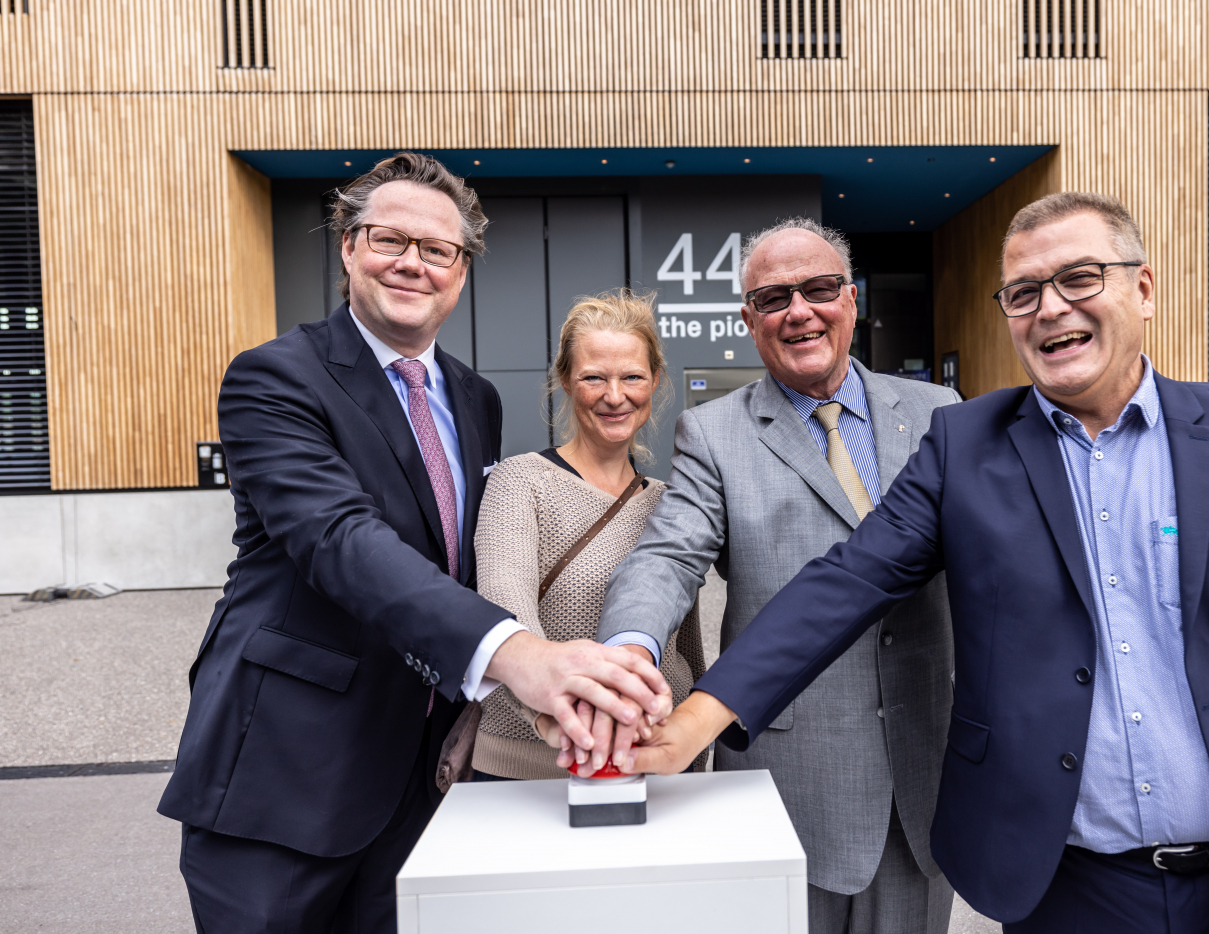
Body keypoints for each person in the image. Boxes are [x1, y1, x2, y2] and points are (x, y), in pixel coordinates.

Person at [627, 193, 1209, 934]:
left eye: (1078, 278)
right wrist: (696, 718)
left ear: (1144, 288)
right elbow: (847, 579)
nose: (1051, 307)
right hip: (1069, 883)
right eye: (1024, 292)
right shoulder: (969, 446)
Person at [156, 152, 671, 934]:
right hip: (287, 772)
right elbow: (339, 541)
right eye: (389, 239)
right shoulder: (274, 378)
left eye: (438, 250)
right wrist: (521, 657)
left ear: (461, 271)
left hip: (420, 777)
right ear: (348, 247)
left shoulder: (474, 398)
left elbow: (460, 563)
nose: (412, 263)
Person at [581, 218, 962, 934]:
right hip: (791, 778)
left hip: (925, 768)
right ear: (748, 319)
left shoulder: (940, 414)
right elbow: (668, 555)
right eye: (773, 297)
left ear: (851, 300)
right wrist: (630, 648)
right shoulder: (713, 432)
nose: (799, 311)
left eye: (818, 289)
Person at [470, 291, 706, 780]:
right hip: (533, 770)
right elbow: (504, 617)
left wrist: (692, 755)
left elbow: (686, 651)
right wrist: (551, 718)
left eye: (632, 377)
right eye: (594, 377)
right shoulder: (520, 482)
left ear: (656, 381)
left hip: (653, 767)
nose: (615, 396)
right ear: (565, 382)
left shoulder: (670, 500)